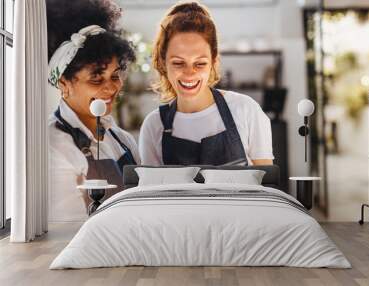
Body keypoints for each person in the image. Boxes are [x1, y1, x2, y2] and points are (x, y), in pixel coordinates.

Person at [139, 1, 274, 166]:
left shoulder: (245, 110)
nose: (190, 73)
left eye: (200, 63)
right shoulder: (154, 126)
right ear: (162, 63)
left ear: (213, 61)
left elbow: (267, 185)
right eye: (178, 63)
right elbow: (151, 191)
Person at [47, 0, 140, 221]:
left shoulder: (123, 140)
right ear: (63, 83)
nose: (110, 88)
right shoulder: (54, 146)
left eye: (115, 76)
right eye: (96, 79)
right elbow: (68, 226)